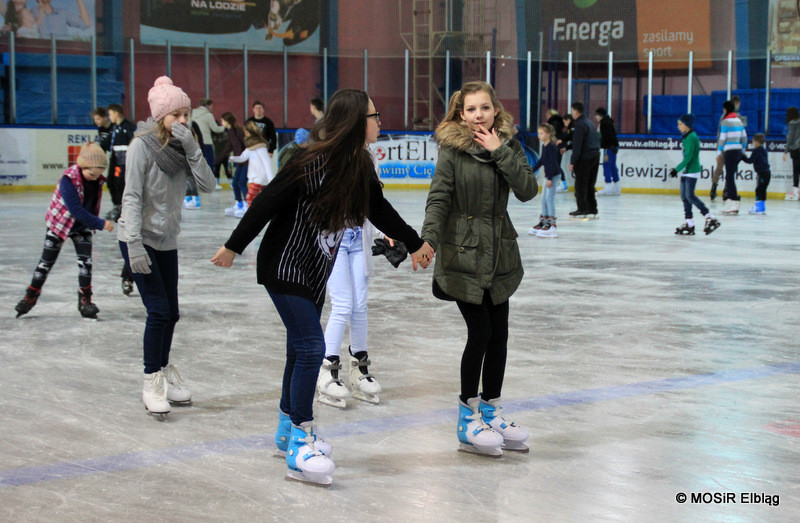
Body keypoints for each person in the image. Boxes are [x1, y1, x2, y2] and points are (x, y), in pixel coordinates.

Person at [211, 89, 434, 486]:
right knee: (313, 347)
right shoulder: (308, 161)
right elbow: (266, 204)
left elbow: (379, 210)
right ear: (353, 123)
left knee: (299, 349)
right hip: (283, 265)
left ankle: (286, 430)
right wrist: (233, 246)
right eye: (374, 115)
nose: (379, 122)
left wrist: (415, 244)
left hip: (313, 269)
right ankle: (300, 440)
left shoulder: (359, 165)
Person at [421, 81, 536, 457]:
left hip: (499, 253)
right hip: (462, 254)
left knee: (499, 334)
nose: (479, 115)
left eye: (484, 108)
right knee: (481, 331)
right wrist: (428, 241)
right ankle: (467, 415)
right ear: (460, 114)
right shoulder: (452, 152)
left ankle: (491, 408)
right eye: (471, 109)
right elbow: (439, 197)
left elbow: (528, 190)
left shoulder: (508, 146)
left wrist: (499, 150)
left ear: (495, 110)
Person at [117, 76, 216, 418]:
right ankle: (151, 381)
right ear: (161, 116)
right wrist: (133, 245)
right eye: (177, 114)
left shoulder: (182, 150)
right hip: (138, 237)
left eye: (187, 113)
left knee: (171, 313)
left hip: (166, 240)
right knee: (158, 312)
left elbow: (209, 185)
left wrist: (192, 149)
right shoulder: (141, 147)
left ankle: (162, 370)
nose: (184, 121)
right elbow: (130, 197)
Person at [14, 143, 113, 319]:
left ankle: (85, 301)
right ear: (82, 166)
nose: (95, 178)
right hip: (60, 224)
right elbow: (75, 209)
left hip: (81, 226)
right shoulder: (68, 180)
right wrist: (100, 223)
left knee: (86, 263)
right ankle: (31, 295)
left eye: (98, 174)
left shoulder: (96, 179)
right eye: (91, 174)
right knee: (46, 262)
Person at [668, 114, 720, 236]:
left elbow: (690, 157)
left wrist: (677, 169)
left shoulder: (691, 137)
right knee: (685, 197)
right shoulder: (686, 136)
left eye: (680, 124)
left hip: (692, 171)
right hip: (687, 171)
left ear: (686, 125)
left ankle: (709, 217)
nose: (678, 127)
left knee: (690, 196)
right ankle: (689, 223)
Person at [230, 121, 275, 216]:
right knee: (258, 198)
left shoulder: (261, 148)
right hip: (254, 177)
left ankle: (250, 214)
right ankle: (257, 213)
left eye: (246, 132)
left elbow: (267, 163)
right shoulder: (250, 148)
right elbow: (243, 157)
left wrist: (271, 179)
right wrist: (234, 158)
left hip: (260, 177)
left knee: (250, 197)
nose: (245, 134)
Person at [528, 123, 562, 238]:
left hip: (552, 175)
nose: (539, 136)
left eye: (541, 133)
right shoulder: (545, 146)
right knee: (543, 200)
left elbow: (552, 163)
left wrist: (550, 179)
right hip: (549, 175)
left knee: (549, 199)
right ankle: (544, 222)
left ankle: (552, 225)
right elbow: (542, 160)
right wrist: (533, 170)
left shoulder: (551, 146)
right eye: (538, 133)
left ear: (548, 134)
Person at [568, 102, 601, 219]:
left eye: (572, 111)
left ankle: (582, 208)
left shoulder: (580, 124)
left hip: (585, 158)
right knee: (590, 184)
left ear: (575, 111)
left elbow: (577, 145)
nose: (572, 113)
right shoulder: (589, 122)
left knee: (581, 184)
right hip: (595, 156)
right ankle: (592, 207)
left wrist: (572, 161)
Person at [107, 103, 136, 222]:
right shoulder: (114, 128)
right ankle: (117, 206)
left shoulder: (128, 127)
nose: (109, 117)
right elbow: (107, 143)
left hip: (123, 162)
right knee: (111, 182)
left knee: (120, 184)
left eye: (110, 114)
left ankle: (123, 208)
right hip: (115, 161)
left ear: (116, 114)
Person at [718, 100, 747, 215]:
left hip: (730, 151)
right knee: (731, 177)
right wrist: (742, 150)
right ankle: (731, 201)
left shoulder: (725, 122)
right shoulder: (739, 121)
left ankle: (733, 201)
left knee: (729, 177)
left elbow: (722, 138)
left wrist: (718, 152)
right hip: (738, 151)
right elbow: (744, 138)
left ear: (726, 109)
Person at [192, 99, 226, 190]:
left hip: (196, 142)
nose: (212, 108)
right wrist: (224, 127)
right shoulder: (208, 115)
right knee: (210, 163)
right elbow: (215, 129)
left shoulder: (193, 113)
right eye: (211, 106)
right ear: (208, 105)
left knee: (198, 164)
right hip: (206, 142)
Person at [220, 112, 248, 217]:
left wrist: (245, 157)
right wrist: (218, 160)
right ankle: (239, 203)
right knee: (235, 182)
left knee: (241, 182)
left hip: (246, 161)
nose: (221, 123)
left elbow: (246, 145)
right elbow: (229, 147)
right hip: (239, 161)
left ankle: (247, 204)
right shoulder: (231, 132)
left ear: (227, 121)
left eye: (222, 121)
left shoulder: (238, 132)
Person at [742, 133, 771, 215]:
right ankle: (762, 207)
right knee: (763, 189)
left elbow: (750, 160)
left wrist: (742, 156)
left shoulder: (756, 150)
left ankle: (758, 208)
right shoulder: (764, 150)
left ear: (757, 142)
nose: (753, 143)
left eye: (753, 141)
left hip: (761, 173)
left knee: (759, 189)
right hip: (767, 173)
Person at [595, 107, 621, 196]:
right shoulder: (608, 122)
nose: (596, 117)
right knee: (612, 165)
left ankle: (608, 185)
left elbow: (607, 136)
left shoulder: (604, 123)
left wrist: (607, 145)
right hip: (614, 146)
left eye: (597, 115)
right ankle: (616, 186)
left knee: (606, 165)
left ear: (600, 115)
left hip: (609, 147)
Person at [783, 107, 800, 200]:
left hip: (796, 149)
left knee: (796, 170)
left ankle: (795, 191)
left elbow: (791, 138)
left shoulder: (793, 123)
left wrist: (785, 152)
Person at [556, 113, 573, 192]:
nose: (565, 125)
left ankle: (563, 184)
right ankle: (563, 183)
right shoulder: (569, 128)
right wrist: (566, 148)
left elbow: (572, 137)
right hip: (564, 147)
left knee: (557, 165)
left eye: (565, 122)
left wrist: (563, 143)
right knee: (557, 165)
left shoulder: (573, 127)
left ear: (568, 120)